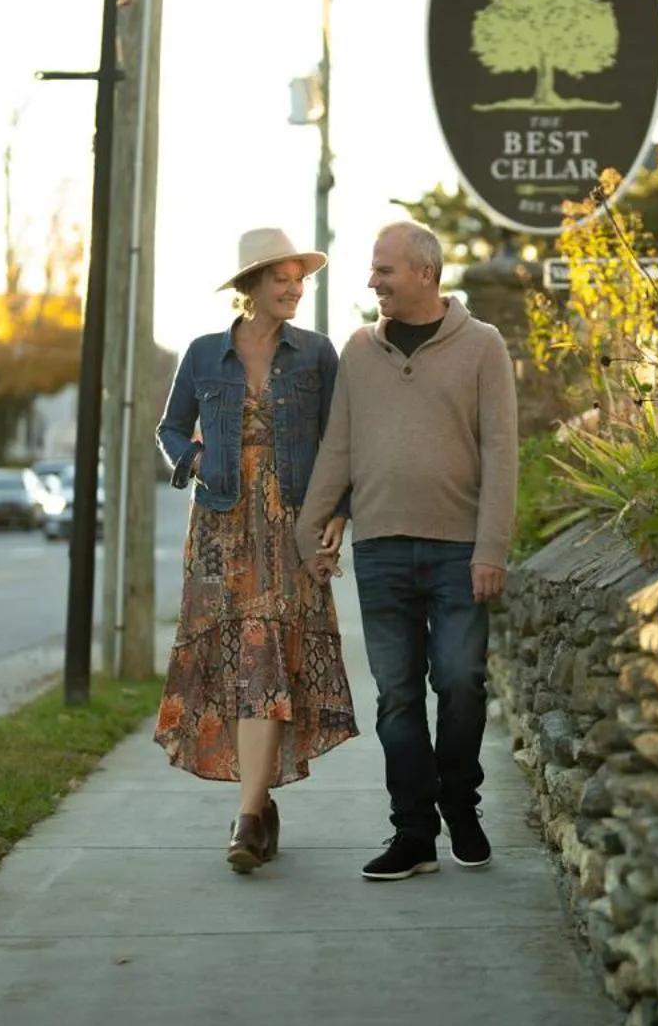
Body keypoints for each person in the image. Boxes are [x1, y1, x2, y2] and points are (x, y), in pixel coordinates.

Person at [296, 220, 519, 882]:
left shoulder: (483, 346)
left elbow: (501, 452)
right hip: (382, 550)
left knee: (460, 681)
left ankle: (461, 805)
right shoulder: (359, 351)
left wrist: (491, 548)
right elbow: (339, 445)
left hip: (460, 550)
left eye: (384, 270)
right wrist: (311, 529)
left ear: (426, 272)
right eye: (373, 270)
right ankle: (414, 832)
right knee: (396, 697)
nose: (373, 281)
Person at [154, 228, 357, 874]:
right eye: (282, 280)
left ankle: (247, 817)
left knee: (268, 657)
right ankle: (257, 807)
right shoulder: (203, 354)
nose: (295, 290)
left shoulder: (317, 354)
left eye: (300, 280)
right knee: (240, 664)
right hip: (220, 530)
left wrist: (339, 513)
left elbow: (341, 441)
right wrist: (194, 458)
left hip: (291, 526)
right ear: (252, 286)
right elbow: (169, 428)